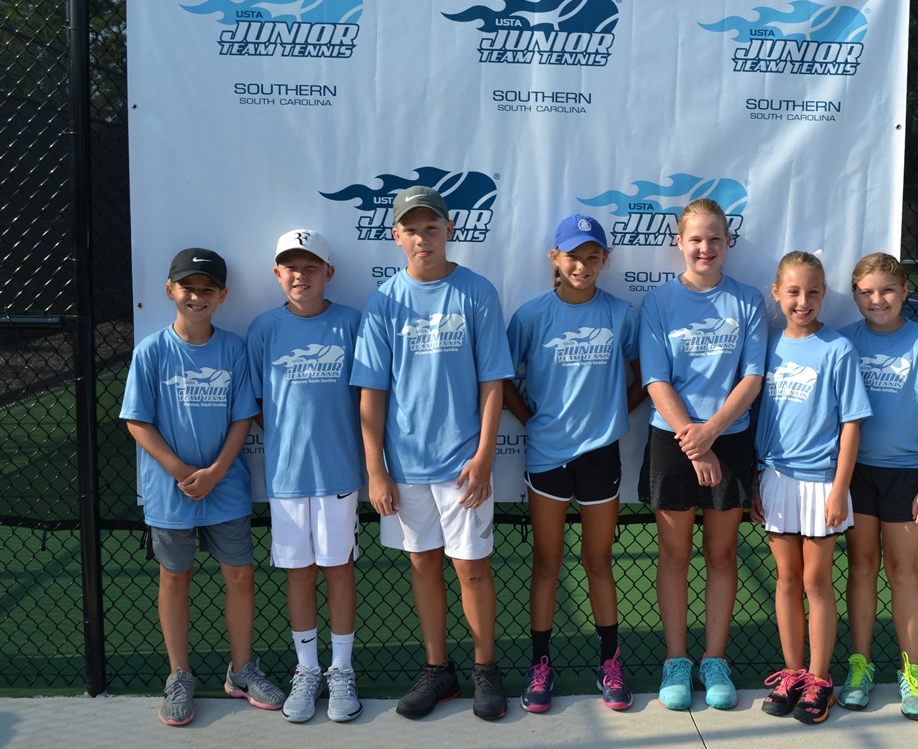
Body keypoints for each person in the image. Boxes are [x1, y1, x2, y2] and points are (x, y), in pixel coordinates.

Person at [351, 186, 514, 721]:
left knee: (471, 569)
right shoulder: (383, 301)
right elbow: (372, 393)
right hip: (405, 466)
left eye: (431, 227)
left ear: (449, 230)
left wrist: (485, 455)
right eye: (411, 229)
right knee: (423, 564)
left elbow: (493, 382)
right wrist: (376, 469)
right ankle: (438, 669)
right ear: (396, 236)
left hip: (464, 464)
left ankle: (485, 669)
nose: (422, 238)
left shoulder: (477, 292)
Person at [120, 248, 285, 726]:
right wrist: (179, 470)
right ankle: (179, 674)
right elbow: (137, 421)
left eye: (207, 289)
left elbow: (242, 418)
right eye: (188, 288)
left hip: (226, 485)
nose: (197, 297)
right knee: (175, 577)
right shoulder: (151, 351)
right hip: (169, 490)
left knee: (240, 576)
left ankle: (242, 670)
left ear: (222, 295)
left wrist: (214, 472)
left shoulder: (232, 349)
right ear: (170, 290)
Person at [503, 215, 645, 713]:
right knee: (547, 562)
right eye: (573, 256)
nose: (582, 266)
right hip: (546, 455)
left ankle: (610, 663)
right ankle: (540, 666)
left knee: (598, 561)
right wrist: (532, 421)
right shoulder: (531, 316)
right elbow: (501, 379)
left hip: (600, 455)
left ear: (605, 260)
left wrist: (612, 418)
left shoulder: (621, 314)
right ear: (554, 259)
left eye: (591, 257)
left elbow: (644, 378)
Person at [638, 198, 767, 711]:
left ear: (728, 242)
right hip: (672, 439)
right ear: (680, 243)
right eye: (696, 239)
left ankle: (715, 660)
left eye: (715, 238)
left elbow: (752, 378)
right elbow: (655, 379)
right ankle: (676, 660)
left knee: (721, 554)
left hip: (728, 439)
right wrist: (693, 441)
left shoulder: (748, 300)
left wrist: (711, 433)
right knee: (674, 554)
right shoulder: (658, 302)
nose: (705, 247)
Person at [838, 252, 918, 722]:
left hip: (908, 476)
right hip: (855, 473)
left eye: (887, 290)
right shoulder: (844, 342)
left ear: (905, 291)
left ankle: (912, 674)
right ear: (855, 295)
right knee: (861, 567)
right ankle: (860, 667)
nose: (878, 300)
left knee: (903, 570)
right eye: (867, 292)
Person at [246, 229, 364, 723]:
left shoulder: (352, 323)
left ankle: (341, 670)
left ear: (328, 272)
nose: (301, 275)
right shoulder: (263, 328)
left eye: (311, 266)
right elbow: (256, 403)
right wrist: (290, 440)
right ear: (277, 274)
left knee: (338, 568)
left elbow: (368, 397)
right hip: (287, 476)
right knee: (299, 572)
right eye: (291, 267)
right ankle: (308, 669)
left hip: (339, 472)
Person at [751, 252, 871, 724]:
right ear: (777, 293)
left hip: (823, 482)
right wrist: (759, 478)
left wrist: (840, 488)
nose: (803, 301)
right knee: (786, 579)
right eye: (794, 292)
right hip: (776, 478)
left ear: (824, 295)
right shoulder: (769, 347)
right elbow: (761, 418)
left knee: (816, 581)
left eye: (813, 292)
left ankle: (820, 680)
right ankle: (792, 673)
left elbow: (851, 424)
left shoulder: (838, 349)